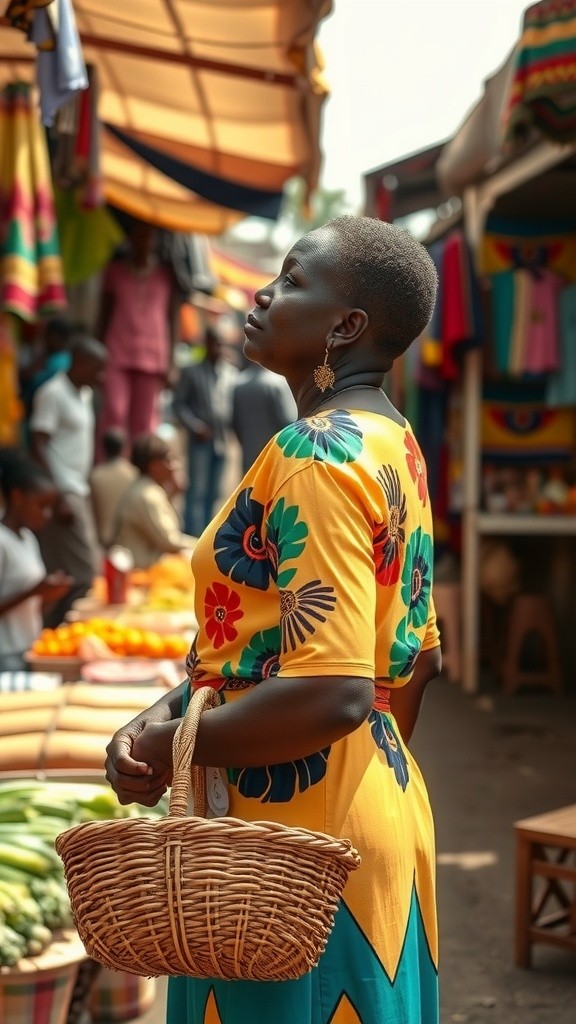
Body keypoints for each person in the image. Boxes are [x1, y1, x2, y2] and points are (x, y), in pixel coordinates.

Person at [105, 216, 442, 1024]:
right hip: (364, 810)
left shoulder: (314, 452)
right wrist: (172, 712)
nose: (261, 292)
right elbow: (414, 663)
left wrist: (170, 745)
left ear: (347, 325)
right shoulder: (394, 444)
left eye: (292, 281)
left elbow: (330, 696)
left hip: (280, 858)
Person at [29, 334, 106, 627]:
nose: (100, 375)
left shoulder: (84, 394)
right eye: (96, 368)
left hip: (78, 487)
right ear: (80, 363)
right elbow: (38, 444)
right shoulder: (52, 393)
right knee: (85, 570)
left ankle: (56, 627)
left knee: (70, 567)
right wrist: (57, 494)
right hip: (64, 490)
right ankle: (55, 626)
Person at [97, 220, 180, 453]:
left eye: (149, 236)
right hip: (116, 352)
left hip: (153, 357)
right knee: (114, 413)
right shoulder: (114, 271)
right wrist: (97, 353)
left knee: (145, 424)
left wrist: (172, 363)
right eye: (139, 235)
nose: (143, 241)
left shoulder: (167, 276)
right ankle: (110, 475)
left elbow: (173, 320)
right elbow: (103, 315)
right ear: (130, 239)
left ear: (155, 241)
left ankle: (140, 477)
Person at [0, 449, 72, 670]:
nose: (47, 515)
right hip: (6, 654)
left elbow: (31, 606)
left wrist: (49, 595)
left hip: (30, 647)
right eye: (41, 506)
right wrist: (35, 591)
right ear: (17, 496)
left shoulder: (28, 538)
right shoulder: (2, 541)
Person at [172, 325, 239, 536]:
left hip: (222, 440)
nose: (217, 347)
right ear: (206, 344)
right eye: (213, 342)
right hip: (200, 441)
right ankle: (192, 536)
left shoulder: (231, 374)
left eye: (220, 343)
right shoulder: (192, 371)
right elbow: (178, 405)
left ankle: (207, 538)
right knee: (197, 491)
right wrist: (194, 425)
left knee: (215, 492)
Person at [110, 433, 197, 569]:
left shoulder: (147, 489)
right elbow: (169, 541)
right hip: (143, 571)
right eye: (168, 460)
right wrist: (204, 545)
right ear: (153, 465)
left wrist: (174, 492)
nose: (174, 466)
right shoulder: (148, 495)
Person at [232, 362, 297, 474]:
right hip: (275, 455)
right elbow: (288, 420)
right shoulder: (278, 383)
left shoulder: (239, 382)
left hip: (249, 454)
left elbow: (234, 422)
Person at [90, 427, 137, 548]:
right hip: (129, 543)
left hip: (102, 543)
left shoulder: (95, 476)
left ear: (103, 449)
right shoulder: (134, 475)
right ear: (125, 449)